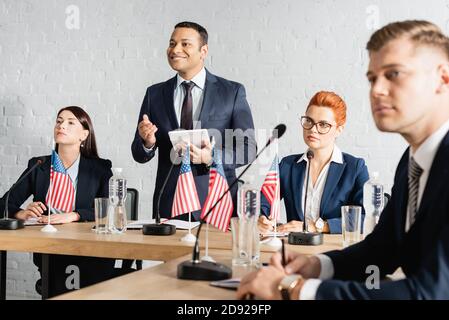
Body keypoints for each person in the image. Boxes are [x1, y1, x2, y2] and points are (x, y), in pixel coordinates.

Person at [237, 20, 449, 300]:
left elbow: (432, 293)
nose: (376, 90)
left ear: (442, 78)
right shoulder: (411, 162)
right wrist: (316, 265)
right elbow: (382, 250)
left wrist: (295, 289)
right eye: (372, 78)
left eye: (393, 73)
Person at [131, 21, 256, 220]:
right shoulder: (154, 94)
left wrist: (211, 157)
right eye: (172, 43)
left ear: (203, 51)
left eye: (185, 44)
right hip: (169, 203)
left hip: (216, 201)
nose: (175, 49)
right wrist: (147, 142)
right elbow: (139, 154)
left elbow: (247, 150)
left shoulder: (231, 92)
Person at [0, 106, 122, 297]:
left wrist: (74, 215)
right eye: (58, 121)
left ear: (84, 135)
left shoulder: (99, 168)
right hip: (50, 249)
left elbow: (108, 208)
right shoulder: (39, 166)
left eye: (70, 122)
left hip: (92, 249)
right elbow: (4, 203)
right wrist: (20, 213)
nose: (61, 125)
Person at [259, 91, 369, 234]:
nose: (312, 129)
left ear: (339, 130)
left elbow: (367, 218)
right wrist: (261, 219)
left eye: (323, 124)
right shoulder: (287, 165)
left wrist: (317, 226)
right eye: (309, 121)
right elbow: (263, 204)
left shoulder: (355, 168)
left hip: (335, 249)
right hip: (295, 247)